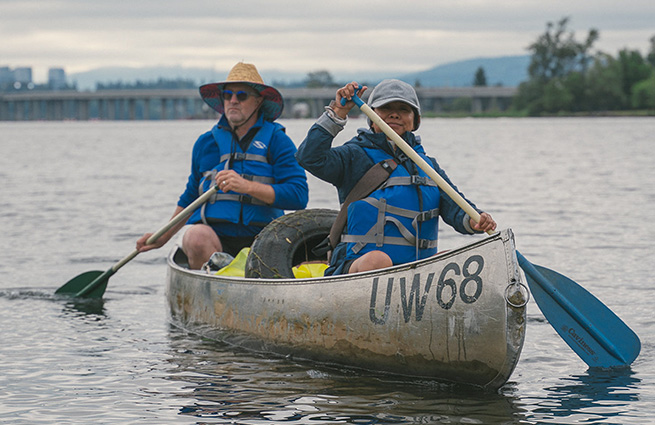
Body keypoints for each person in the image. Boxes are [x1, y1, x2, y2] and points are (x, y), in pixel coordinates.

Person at [295, 79, 496, 275]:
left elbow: (457, 210)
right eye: (385, 108)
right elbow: (309, 157)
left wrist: (476, 220)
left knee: (455, 261)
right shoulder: (354, 155)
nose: (394, 115)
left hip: (417, 273)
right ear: (372, 116)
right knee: (378, 260)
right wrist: (337, 114)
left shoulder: (428, 165)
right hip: (359, 265)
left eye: (403, 109)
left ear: (415, 120)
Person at [137, 62, 309, 269]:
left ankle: (241, 273)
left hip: (262, 238)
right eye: (228, 95)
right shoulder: (206, 143)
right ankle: (217, 277)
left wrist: (247, 187)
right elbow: (192, 195)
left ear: (258, 101)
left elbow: (299, 195)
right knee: (194, 236)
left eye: (241, 96)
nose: (233, 101)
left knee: (273, 249)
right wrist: (163, 235)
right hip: (215, 238)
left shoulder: (277, 141)